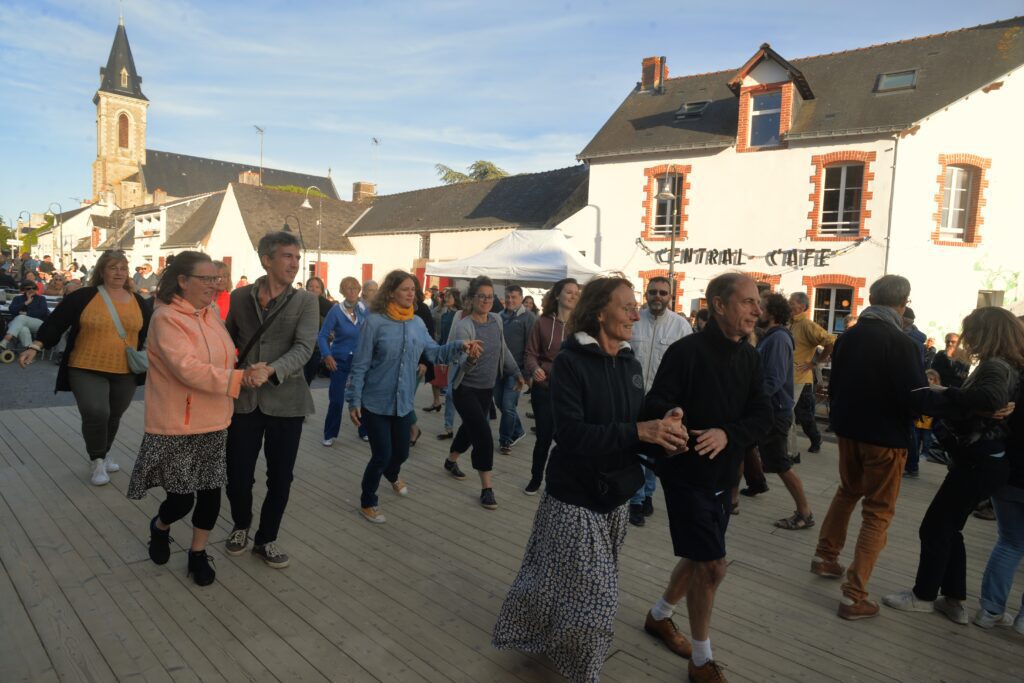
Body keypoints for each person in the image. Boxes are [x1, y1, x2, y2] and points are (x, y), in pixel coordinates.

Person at [492, 276, 687, 682]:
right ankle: (585, 673)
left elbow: (633, 428)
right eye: (626, 306)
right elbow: (572, 435)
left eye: (635, 305)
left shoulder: (630, 364)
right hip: (574, 496)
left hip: (617, 495)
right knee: (598, 597)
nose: (636, 313)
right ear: (600, 312)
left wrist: (664, 436)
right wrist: (640, 432)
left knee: (551, 580)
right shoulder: (570, 363)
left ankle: (531, 632)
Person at [640, 273, 771, 683]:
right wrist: (671, 415)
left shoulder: (750, 356)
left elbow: (764, 415)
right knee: (713, 566)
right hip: (685, 473)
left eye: (757, 303)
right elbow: (656, 401)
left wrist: (729, 433)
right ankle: (701, 661)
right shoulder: (686, 352)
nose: (756, 310)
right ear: (718, 305)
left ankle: (660, 616)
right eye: (748, 302)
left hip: (723, 474)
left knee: (699, 557)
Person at [812, 275, 966, 620]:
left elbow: (835, 385)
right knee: (878, 512)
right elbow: (914, 397)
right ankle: (854, 595)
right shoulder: (903, 343)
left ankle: (825, 557)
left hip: (849, 432)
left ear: (871, 298)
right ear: (903, 302)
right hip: (885, 437)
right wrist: (956, 400)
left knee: (847, 492)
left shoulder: (848, 337)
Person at [127, 251, 268, 586]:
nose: (215, 284)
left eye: (216, 278)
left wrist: (243, 370)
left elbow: (222, 358)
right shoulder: (166, 319)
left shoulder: (211, 314)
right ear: (183, 281)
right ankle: (160, 526)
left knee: (209, 493)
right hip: (179, 422)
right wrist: (240, 378)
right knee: (180, 498)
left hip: (216, 420)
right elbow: (187, 369)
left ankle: (197, 553)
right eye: (207, 279)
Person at [884, 308, 1024, 624]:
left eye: (971, 332)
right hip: (985, 462)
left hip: (979, 461)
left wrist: (942, 394)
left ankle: (923, 596)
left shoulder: (995, 366)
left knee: (934, 527)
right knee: (950, 528)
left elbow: (989, 398)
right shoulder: (1008, 366)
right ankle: (953, 598)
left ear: (986, 333)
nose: (967, 339)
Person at [348, 270, 479, 524]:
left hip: (403, 401)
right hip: (375, 401)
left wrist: (459, 346)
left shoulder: (417, 324)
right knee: (381, 455)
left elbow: (434, 354)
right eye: (406, 289)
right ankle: (368, 502)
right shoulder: (374, 323)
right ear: (391, 292)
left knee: (401, 454)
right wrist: (353, 400)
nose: (411, 294)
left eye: (413, 289)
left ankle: (392, 474)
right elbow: (361, 364)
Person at [224, 231, 319, 569]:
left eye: (297, 257)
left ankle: (266, 538)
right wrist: (233, 375)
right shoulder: (239, 298)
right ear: (267, 259)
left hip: (287, 400)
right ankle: (240, 525)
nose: (294, 263)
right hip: (245, 399)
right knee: (237, 473)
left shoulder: (307, 301)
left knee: (280, 476)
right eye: (287, 256)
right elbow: (226, 341)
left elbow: (305, 348)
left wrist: (272, 370)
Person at [19, 250, 151, 485]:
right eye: (113, 267)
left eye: (123, 268)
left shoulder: (138, 301)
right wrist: (36, 346)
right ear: (102, 271)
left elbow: (152, 332)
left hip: (125, 370)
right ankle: (97, 459)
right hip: (85, 366)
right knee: (96, 411)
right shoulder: (85, 296)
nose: (119, 272)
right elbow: (57, 321)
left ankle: (105, 450)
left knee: (113, 415)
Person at [444, 276, 525, 510]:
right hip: (465, 388)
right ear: (471, 298)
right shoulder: (464, 325)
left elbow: (504, 349)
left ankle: (450, 462)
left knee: (469, 429)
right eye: (481, 296)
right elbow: (458, 360)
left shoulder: (496, 321)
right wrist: (469, 358)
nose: (486, 300)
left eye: (490, 297)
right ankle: (487, 488)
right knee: (483, 435)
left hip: (486, 389)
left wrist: (517, 372)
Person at [628, 275, 693, 526]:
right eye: (653, 292)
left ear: (670, 297)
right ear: (646, 294)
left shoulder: (680, 327)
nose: (657, 297)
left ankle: (647, 495)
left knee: (654, 450)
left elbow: (687, 367)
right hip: (632, 396)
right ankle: (635, 499)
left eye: (662, 293)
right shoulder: (634, 320)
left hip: (662, 400)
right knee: (634, 448)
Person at [974, 317, 1024, 633]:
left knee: (1009, 542)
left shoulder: (1011, 375)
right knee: (1009, 542)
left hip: (1009, 470)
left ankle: (990, 610)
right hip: (1010, 470)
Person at [753, 293, 815, 530]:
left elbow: (774, 379)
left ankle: (804, 512)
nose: (757, 310)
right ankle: (733, 498)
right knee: (744, 448)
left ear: (773, 312)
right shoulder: (771, 337)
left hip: (775, 411)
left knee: (781, 465)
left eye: (762, 306)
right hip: (770, 409)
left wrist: (752, 400)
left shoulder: (778, 339)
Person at [522, 278, 579, 494]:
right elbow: (530, 353)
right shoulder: (542, 322)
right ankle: (536, 478)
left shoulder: (583, 324)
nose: (573, 295)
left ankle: (563, 480)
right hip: (545, 388)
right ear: (557, 295)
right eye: (569, 292)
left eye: (576, 293)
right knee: (544, 436)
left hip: (572, 392)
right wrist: (534, 368)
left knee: (568, 438)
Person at [319, 277, 364, 447]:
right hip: (339, 360)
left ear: (359, 290)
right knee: (336, 399)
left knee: (362, 397)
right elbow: (322, 335)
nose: (352, 291)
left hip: (360, 360)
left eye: (355, 288)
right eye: (348, 288)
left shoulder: (364, 309)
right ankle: (329, 433)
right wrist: (327, 354)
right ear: (342, 291)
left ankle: (364, 430)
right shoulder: (336, 311)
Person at [788, 292, 834, 454]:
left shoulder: (807, 325)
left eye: (791, 302)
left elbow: (830, 341)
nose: (788, 304)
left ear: (801, 306)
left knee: (802, 414)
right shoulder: (789, 323)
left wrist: (815, 362)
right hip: (790, 377)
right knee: (796, 414)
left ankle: (815, 439)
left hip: (802, 378)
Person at [495, 284, 536, 455]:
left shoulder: (528, 317)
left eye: (514, 297)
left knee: (508, 405)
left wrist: (526, 374)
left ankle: (505, 440)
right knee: (500, 403)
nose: (510, 300)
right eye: (508, 297)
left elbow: (531, 347)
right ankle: (518, 430)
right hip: (498, 369)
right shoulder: (498, 316)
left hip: (516, 371)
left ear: (521, 299)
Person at [434, 289, 466, 439]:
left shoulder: (472, 316)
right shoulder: (455, 315)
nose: (446, 298)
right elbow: (450, 336)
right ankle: (448, 427)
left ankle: (472, 427)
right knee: (449, 394)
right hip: (453, 357)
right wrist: (444, 357)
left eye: (450, 296)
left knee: (468, 395)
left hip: (469, 361)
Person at [905, 369, 942, 478]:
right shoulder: (921, 390)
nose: (929, 381)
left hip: (927, 424)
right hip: (918, 422)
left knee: (925, 440)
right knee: (915, 441)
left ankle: (923, 455)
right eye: (928, 378)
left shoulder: (934, 392)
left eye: (931, 379)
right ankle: (913, 462)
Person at [1, 280, 50, 351]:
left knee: (22, 317)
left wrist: (27, 313)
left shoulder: (41, 299)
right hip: (17, 323)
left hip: (37, 323)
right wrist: (26, 303)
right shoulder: (17, 298)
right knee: (23, 329)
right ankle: (28, 351)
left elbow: (43, 312)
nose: (31, 290)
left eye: (34, 288)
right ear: (23, 289)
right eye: (28, 289)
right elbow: (12, 310)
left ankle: (6, 339)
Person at [303, 276, 334, 385]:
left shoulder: (328, 306)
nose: (313, 289)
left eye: (317, 287)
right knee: (300, 378)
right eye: (310, 286)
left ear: (321, 290)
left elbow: (334, 325)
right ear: (306, 288)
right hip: (300, 345)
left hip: (316, 348)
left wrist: (331, 334)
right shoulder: (301, 303)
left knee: (309, 378)